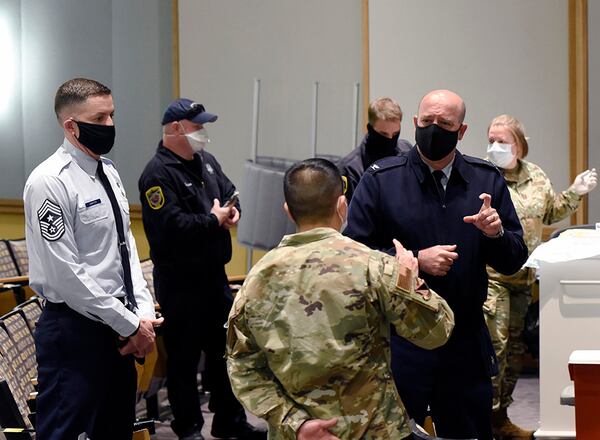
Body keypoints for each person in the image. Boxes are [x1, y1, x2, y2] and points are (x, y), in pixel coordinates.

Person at [226, 158, 455, 440]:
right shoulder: (374, 266)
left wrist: (296, 423)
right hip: (373, 431)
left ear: (288, 210)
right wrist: (408, 280)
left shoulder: (256, 279)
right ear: (342, 205)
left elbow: (242, 367)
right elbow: (437, 331)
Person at [345, 90, 529, 439]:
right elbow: (353, 257)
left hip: (464, 338)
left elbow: (514, 260)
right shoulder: (382, 179)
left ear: (461, 131)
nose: (434, 129)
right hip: (400, 339)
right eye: (427, 121)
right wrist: (414, 261)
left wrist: (496, 234)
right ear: (415, 123)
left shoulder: (485, 179)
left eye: (445, 123)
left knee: (468, 432)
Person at [23, 77, 160, 439]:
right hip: (74, 330)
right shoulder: (50, 181)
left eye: (112, 115)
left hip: (118, 325)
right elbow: (66, 275)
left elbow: (125, 248)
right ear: (71, 126)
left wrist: (142, 313)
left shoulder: (108, 171)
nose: (110, 125)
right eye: (99, 119)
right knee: (64, 433)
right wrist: (129, 324)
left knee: (115, 429)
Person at [138, 99, 265, 440]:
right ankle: (189, 427)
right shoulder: (157, 174)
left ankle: (229, 419)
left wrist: (233, 211)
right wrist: (212, 220)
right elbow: (172, 228)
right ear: (176, 128)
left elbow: (230, 192)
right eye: (197, 127)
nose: (203, 133)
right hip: (180, 282)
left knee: (226, 352)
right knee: (184, 358)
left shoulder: (206, 161)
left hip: (213, 277)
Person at [483, 114, 598, 438]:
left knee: (515, 353)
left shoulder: (536, 176)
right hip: (491, 277)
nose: (494, 147)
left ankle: (500, 420)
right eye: (491, 140)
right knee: (495, 348)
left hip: (524, 278)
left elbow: (550, 212)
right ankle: (482, 421)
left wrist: (575, 192)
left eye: (502, 141)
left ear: (519, 146)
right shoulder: (482, 176)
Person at [337, 97, 412, 201]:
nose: (390, 139)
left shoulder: (406, 150)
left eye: (395, 134)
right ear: (370, 128)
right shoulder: (350, 169)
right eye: (384, 134)